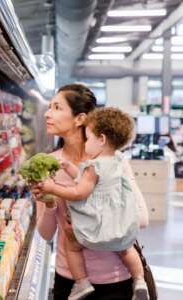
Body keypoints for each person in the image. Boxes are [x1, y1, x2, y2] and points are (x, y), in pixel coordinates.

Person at [32, 84, 149, 300]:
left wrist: (89, 220)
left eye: (57, 107)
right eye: (49, 107)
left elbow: (141, 218)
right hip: (69, 280)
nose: (47, 113)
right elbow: (46, 234)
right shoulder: (49, 164)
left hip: (115, 280)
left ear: (80, 119)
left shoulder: (114, 161)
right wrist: (49, 203)